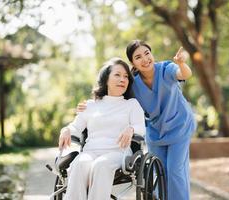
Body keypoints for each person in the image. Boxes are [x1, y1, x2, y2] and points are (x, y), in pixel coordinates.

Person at [59, 57, 145, 200]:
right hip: (90, 151)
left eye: (126, 77)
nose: (122, 79)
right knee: (80, 164)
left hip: (118, 152)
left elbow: (141, 128)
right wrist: (66, 130)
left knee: (101, 164)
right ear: (106, 79)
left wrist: (131, 129)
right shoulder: (91, 105)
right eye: (117, 75)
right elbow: (75, 127)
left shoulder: (131, 104)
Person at [126, 40, 197, 200]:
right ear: (133, 63)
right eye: (138, 57)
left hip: (180, 126)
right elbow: (115, 96)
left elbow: (184, 74)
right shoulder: (133, 84)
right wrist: (91, 105)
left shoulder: (166, 68)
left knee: (175, 170)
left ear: (151, 54)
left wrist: (181, 63)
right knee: (160, 172)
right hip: (156, 132)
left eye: (147, 53)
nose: (145, 59)